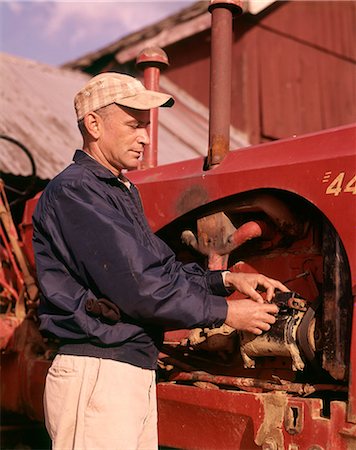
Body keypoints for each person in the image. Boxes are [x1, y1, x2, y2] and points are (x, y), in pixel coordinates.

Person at [32, 72, 287, 450]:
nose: (146, 137)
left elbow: (160, 270)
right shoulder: (77, 191)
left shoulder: (117, 191)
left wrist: (227, 281)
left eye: (147, 126)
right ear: (94, 124)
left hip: (125, 372)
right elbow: (140, 287)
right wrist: (227, 313)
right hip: (100, 372)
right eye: (134, 125)